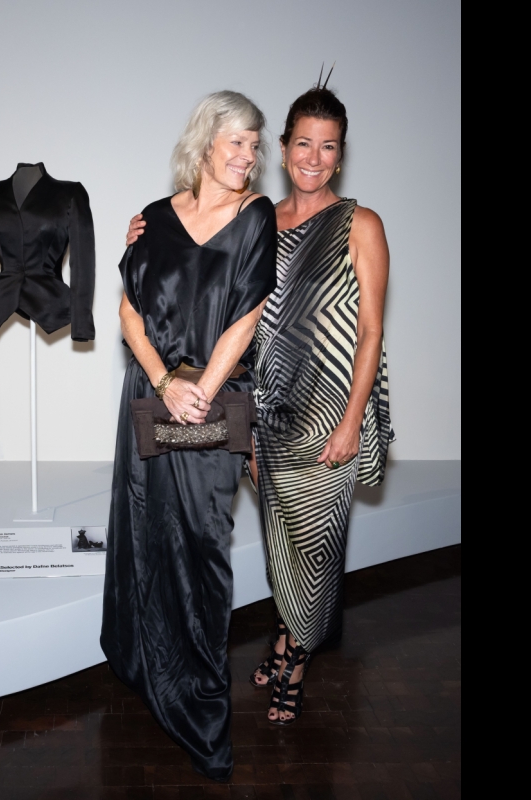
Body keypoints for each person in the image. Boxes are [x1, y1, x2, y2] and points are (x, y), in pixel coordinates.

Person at [124, 81, 393, 727]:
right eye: (303, 142)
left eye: (328, 147)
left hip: (329, 415)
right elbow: (198, 256)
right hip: (268, 415)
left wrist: (354, 420)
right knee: (281, 547)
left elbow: (371, 332)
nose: (314, 156)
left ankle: (293, 661)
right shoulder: (259, 218)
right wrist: (144, 231)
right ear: (283, 147)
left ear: (340, 154)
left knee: (317, 547)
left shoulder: (360, 223)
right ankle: (286, 638)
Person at [101, 91, 277, 782]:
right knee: (146, 527)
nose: (248, 156)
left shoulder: (253, 217)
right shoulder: (155, 218)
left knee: (201, 546)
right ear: (206, 142)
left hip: (211, 401)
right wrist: (164, 381)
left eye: (256, 145)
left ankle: (200, 706)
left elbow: (248, 316)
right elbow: (126, 311)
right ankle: (145, 665)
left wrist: (200, 389)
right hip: (153, 395)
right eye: (237, 141)